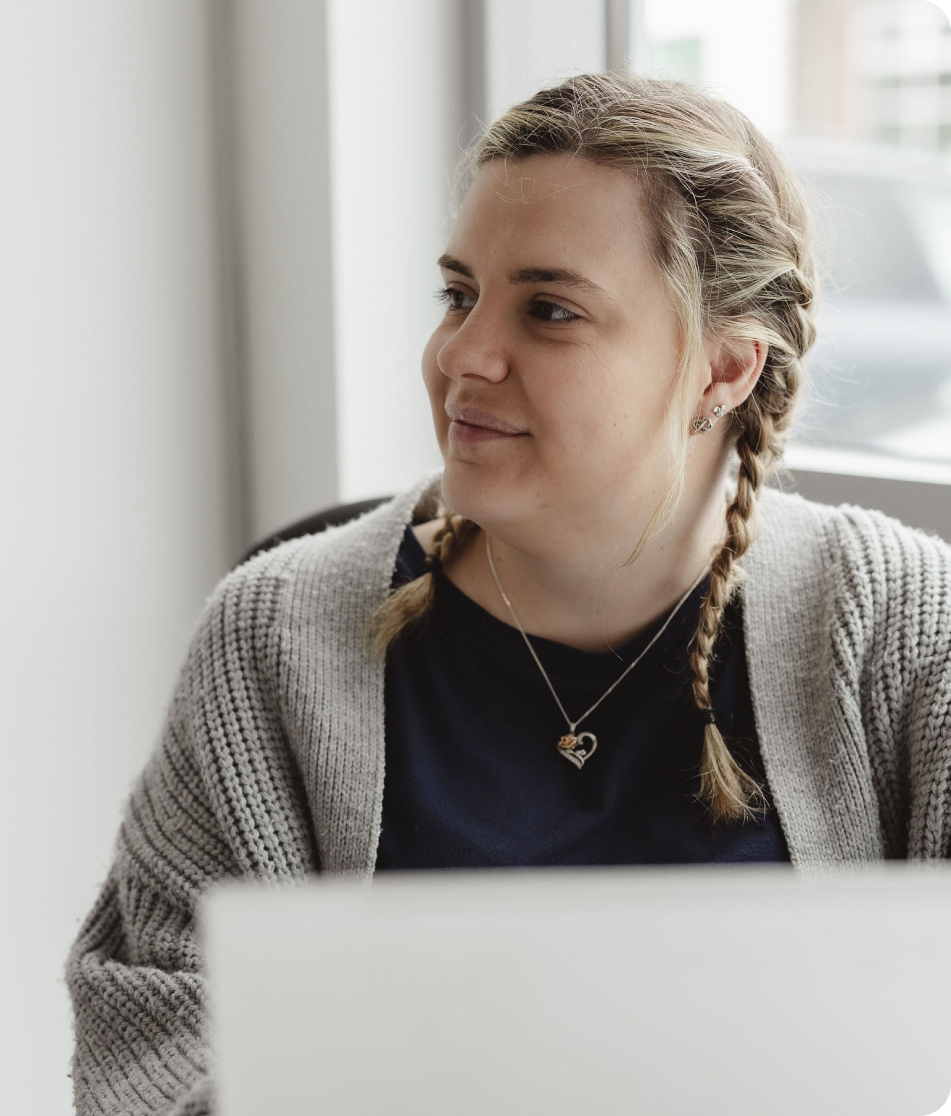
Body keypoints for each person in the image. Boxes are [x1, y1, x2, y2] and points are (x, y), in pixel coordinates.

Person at [65, 71, 951, 1115]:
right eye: (458, 295)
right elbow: (153, 1037)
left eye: (549, 310)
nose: (462, 356)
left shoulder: (904, 630)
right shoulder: (275, 637)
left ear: (722, 370)